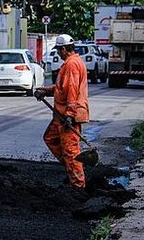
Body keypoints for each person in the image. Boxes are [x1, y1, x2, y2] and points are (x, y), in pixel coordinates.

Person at [34, 34, 89, 189]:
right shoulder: (71, 63)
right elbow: (61, 88)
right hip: (61, 115)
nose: (58, 52)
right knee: (50, 138)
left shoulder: (72, 65)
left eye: (58, 50)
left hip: (67, 115)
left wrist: (70, 114)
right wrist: (45, 91)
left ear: (64, 49)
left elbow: (72, 90)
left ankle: (78, 186)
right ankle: (72, 170)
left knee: (71, 152)